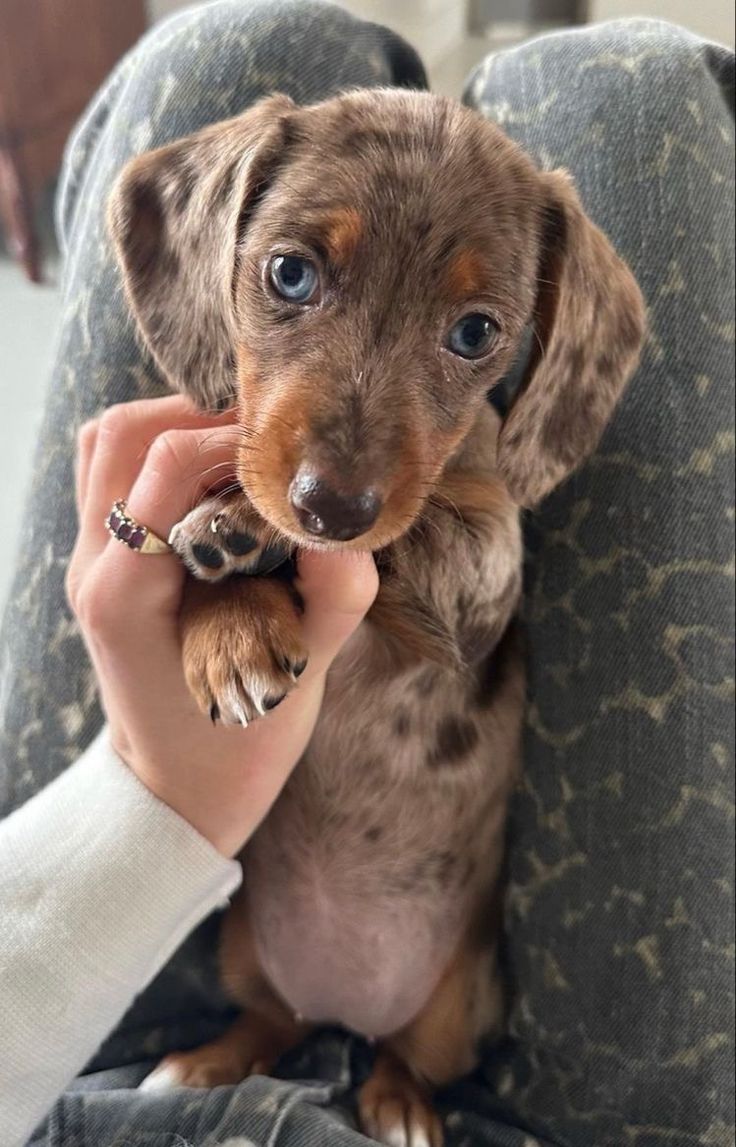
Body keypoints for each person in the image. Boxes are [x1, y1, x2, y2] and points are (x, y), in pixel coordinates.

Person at [0, 2, 733, 1145]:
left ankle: (397, 1068)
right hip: (249, 992)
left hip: (420, 967)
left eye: (470, 336)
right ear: (217, 259)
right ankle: (271, 1035)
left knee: (240, 41)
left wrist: (149, 786)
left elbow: (470, 602)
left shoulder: (472, 472)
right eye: (292, 277)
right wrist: (230, 598)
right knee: (635, 91)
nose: (340, 470)